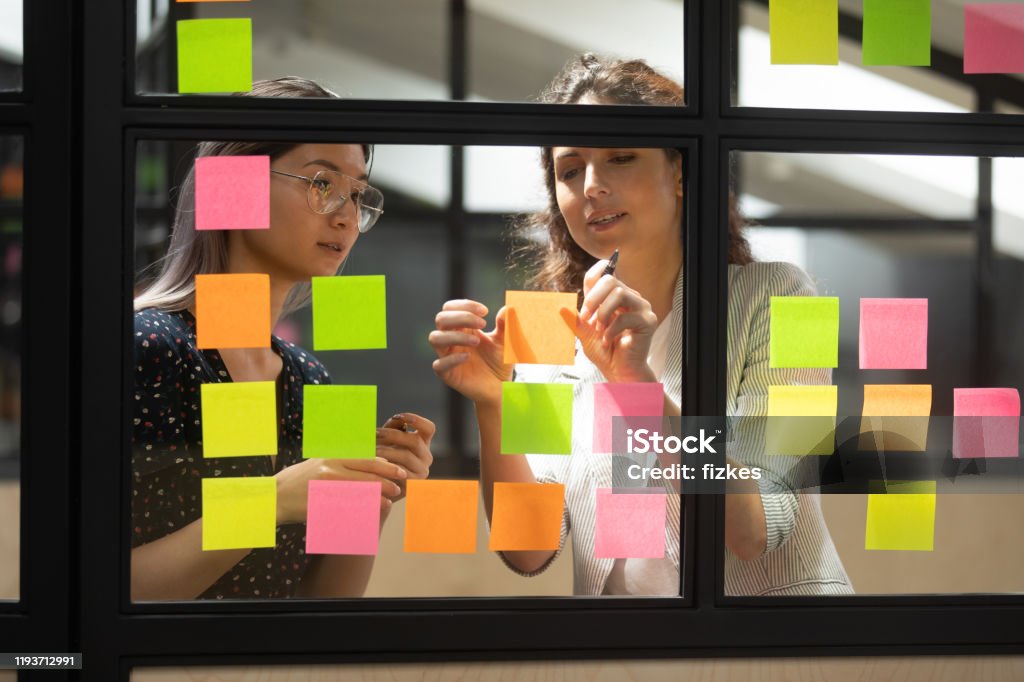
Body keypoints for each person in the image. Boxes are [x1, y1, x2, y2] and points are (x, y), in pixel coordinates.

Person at [429, 55, 852, 596]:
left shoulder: (788, 298)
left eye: (621, 158)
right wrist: (493, 403)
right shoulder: (550, 329)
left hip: (770, 652)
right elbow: (528, 548)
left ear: (679, 169)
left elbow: (757, 524)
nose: (592, 186)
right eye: (569, 170)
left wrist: (637, 387)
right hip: (619, 653)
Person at [131, 77, 434, 601]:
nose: (346, 215)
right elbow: (103, 595)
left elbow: (324, 606)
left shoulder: (311, 379)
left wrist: (372, 489)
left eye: (358, 194)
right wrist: (270, 501)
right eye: (321, 183)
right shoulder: (151, 348)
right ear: (231, 185)